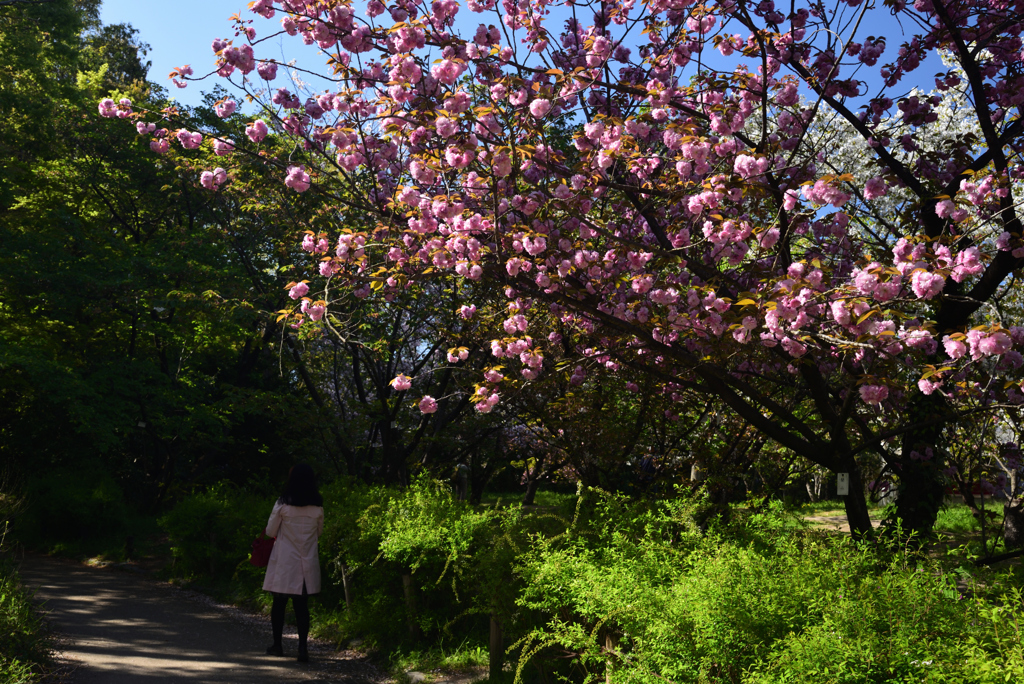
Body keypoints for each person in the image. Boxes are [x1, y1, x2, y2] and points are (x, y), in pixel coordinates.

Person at [263, 463, 324, 662]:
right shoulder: (317, 506)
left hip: (284, 563)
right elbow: (319, 533)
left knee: (279, 605)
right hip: (306, 563)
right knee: (302, 607)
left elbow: (270, 532)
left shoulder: (282, 504)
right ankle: (303, 649)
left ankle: (277, 646)